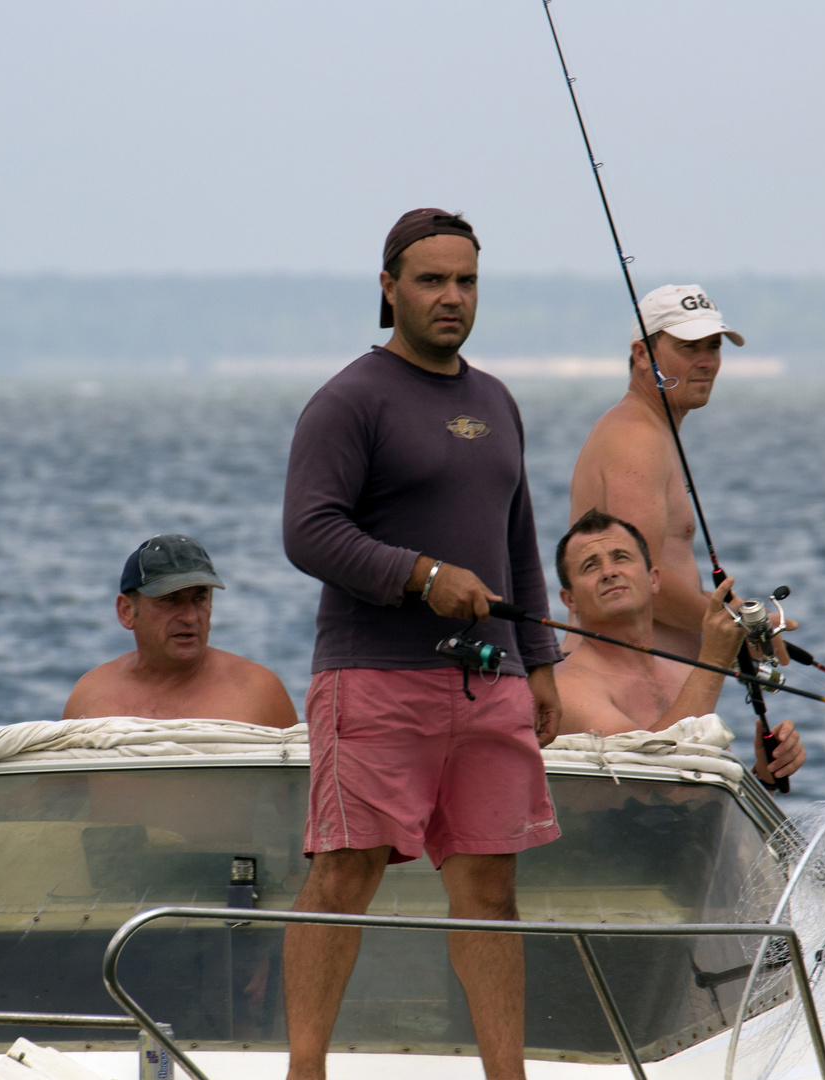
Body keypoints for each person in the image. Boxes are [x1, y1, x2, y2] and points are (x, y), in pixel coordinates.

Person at [280, 208, 563, 1080]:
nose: (451, 297)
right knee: (345, 876)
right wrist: (420, 574)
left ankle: (504, 1074)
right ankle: (306, 1069)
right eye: (432, 280)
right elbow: (308, 533)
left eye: (466, 281)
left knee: (489, 891)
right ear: (388, 288)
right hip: (373, 678)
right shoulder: (349, 400)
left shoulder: (496, 399)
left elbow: (518, 537)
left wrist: (543, 661)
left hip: (492, 686)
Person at [568, 284, 788, 660]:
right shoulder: (634, 438)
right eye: (689, 347)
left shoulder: (650, 430)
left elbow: (662, 574)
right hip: (625, 688)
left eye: (714, 347)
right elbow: (636, 581)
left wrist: (752, 624)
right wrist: (738, 634)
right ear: (641, 355)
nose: (706, 361)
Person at [552, 509, 806, 788]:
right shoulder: (566, 688)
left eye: (620, 558)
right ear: (570, 600)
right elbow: (649, 787)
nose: (609, 572)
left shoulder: (684, 672)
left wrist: (764, 777)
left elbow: (700, 799)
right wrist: (715, 657)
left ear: (654, 579)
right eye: (590, 566)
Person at [61, 534, 297, 728]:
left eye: (200, 598)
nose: (190, 617)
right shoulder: (90, 699)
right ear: (126, 611)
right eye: (170, 600)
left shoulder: (258, 693)